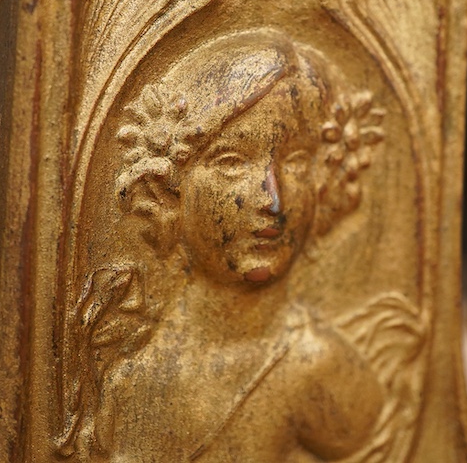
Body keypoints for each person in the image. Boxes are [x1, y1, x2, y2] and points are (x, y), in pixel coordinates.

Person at [65, 29, 395, 461]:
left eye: (296, 161)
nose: (272, 199)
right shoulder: (120, 370)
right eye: (231, 162)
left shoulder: (321, 371)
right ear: (169, 188)